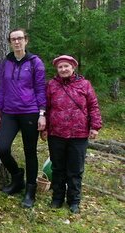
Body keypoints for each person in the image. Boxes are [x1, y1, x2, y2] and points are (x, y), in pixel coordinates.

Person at [43, 55, 102, 214]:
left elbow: (93, 106)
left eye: (66, 66)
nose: (63, 69)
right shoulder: (51, 85)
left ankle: (74, 201)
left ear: (73, 67)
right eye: (60, 67)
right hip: (56, 134)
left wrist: (95, 127)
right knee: (58, 168)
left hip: (79, 134)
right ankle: (57, 198)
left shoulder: (84, 85)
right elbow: (46, 108)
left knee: (75, 170)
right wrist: (44, 128)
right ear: (57, 69)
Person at [0, 28, 46, 209]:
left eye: (20, 39)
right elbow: (1, 88)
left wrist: (42, 113)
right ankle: (17, 178)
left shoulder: (35, 62)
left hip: (30, 112)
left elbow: (41, 88)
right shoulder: (6, 63)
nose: (16, 42)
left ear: (26, 40)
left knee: (30, 151)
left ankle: (30, 190)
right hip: (9, 111)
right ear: (10, 42)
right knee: (2, 148)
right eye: (13, 39)